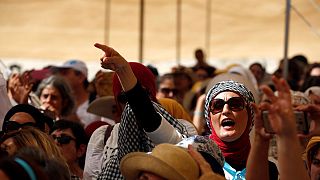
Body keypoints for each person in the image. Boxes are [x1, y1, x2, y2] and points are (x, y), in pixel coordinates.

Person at [94, 43, 191, 179]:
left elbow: (149, 118)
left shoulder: (183, 130)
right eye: (123, 98)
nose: (130, 105)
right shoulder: (104, 135)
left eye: (143, 94)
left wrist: (123, 70)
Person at [203, 80, 278, 179]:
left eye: (235, 104)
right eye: (218, 106)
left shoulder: (268, 169)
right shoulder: (197, 161)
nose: (225, 111)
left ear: (250, 115)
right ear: (209, 117)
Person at [246, 76, 308, 180]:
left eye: (296, 115)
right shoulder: (266, 159)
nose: (288, 121)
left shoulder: (315, 156)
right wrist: (260, 138)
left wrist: (288, 136)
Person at [52, 60, 100, 127]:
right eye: (60, 73)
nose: (60, 77)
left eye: (65, 73)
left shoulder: (98, 103)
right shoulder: (57, 101)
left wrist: (77, 123)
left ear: (80, 77)